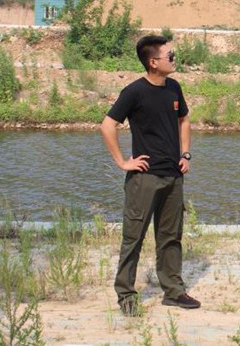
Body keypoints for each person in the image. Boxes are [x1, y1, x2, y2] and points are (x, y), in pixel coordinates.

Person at [100, 35, 201, 316]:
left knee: (171, 237)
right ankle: (126, 295)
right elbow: (107, 126)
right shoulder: (134, 92)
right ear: (153, 62)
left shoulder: (174, 88)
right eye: (170, 55)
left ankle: (174, 291)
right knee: (133, 237)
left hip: (173, 176)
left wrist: (186, 154)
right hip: (144, 178)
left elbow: (184, 120)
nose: (174, 59)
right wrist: (122, 162)